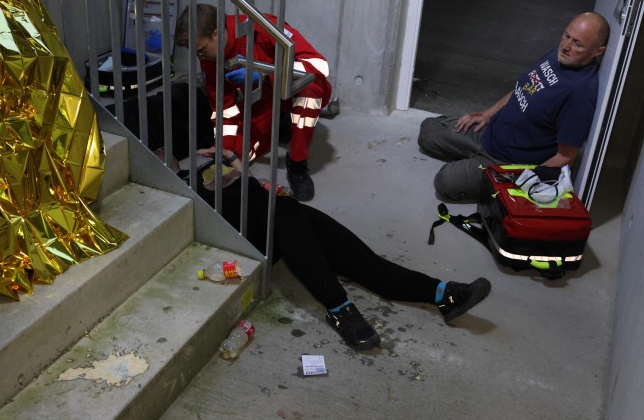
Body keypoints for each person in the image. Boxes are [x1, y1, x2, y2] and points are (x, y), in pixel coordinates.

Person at [195, 150, 492, 350]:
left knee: (359, 259)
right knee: (286, 208)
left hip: (276, 215)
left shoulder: (222, 168)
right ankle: (339, 309)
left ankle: (441, 294)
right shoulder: (185, 185)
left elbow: (248, 182)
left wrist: (232, 158)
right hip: (250, 238)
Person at [418, 12, 610, 201]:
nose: (566, 46)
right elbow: (523, 88)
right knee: (427, 132)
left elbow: (565, 156)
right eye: (566, 35)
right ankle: (471, 161)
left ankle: (477, 168)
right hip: (490, 132)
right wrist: (487, 115)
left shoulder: (580, 94)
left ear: (597, 51)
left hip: (507, 161)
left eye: (577, 44)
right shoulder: (557, 56)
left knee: (445, 182)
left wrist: (522, 182)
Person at [175, 4, 333, 202]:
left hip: (292, 89)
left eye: (201, 50)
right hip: (261, 101)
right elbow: (224, 107)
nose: (200, 57)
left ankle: (298, 161)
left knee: (311, 91)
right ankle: (282, 122)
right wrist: (223, 149)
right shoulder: (209, 57)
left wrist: (264, 72)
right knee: (237, 159)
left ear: (215, 33)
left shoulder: (263, 27)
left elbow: (318, 66)